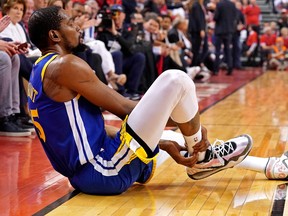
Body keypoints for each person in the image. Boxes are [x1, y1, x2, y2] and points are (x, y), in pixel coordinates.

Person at [27, 6, 252, 195]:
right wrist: (193, 125)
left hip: (91, 172)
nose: (78, 26)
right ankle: (203, 159)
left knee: (174, 139)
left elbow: (92, 128)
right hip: (103, 169)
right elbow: (125, 108)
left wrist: (161, 141)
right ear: (54, 35)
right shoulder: (65, 65)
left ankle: (269, 167)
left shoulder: (39, 70)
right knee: (176, 80)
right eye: (70, 23)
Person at [213, 0, 237, 75]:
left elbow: (216, 17)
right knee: (228, 51)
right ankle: (230, 68)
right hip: (229, 30)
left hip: (220, 31)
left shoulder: (219, 4)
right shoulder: (232, 5)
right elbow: (235, 16)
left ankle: (216, 69)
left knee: (217, 50)